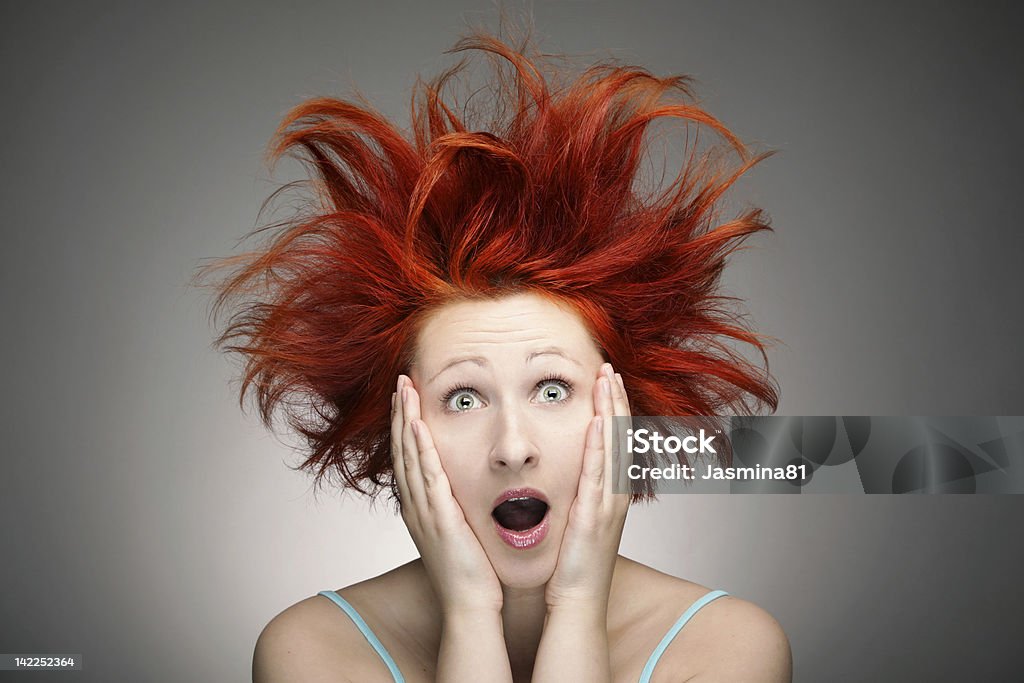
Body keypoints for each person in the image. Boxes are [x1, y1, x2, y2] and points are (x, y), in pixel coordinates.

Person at [203, 29, 791, 683]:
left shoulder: (728, 647)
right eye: (463, 397)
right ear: (401, 426)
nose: (513, 447)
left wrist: (576, 609)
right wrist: (470, 615)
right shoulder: (310, 651)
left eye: (551, 389)